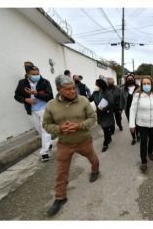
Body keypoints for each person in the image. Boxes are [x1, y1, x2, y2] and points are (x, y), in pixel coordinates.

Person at [42, 74, 99, 216]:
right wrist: (60, 129)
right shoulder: (51, 105)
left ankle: (95, 170)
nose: (72, 91)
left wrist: (79, 126)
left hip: (84, 140)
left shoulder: (83, 100)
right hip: (64, 144)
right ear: (58, 90)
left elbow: (93, 118)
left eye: (73, 88)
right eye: (67, 89)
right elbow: (46, 124)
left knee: (93, 159)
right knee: (61, 172)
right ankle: (60, 197)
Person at [14, 63, 54, 162]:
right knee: (40, 131)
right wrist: (26, 100)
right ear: (28, 74)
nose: (36, 76)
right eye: (33, 74)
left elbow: (50, 96)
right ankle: (48, 144)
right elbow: (17, 96)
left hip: (44, 109)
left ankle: (44, 152)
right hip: (31, 111)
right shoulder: (22, 83)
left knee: (45, 130)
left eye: (37, 73)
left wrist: (36, 94)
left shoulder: (45, 82)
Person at [128, 75, 153, 172]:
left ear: (152, 84)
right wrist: (132, 124)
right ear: (141, 85)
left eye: (148, 83)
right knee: (144, 141)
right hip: (142, 123)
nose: (146, 85)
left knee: (152, 139)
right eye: (144, 84)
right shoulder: (137, 95)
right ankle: (144, 161)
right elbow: (132, 110)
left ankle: (150, 152)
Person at [91, 78, 115, 152]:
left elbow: (111, 103)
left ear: (100, 85)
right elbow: (89, 99)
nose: (95, 86)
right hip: (100, 114)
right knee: (104, 128)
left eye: (96, 84)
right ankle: (109, 138)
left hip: (107, 113)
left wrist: (104, 109)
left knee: (105, 129)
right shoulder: (95, 93)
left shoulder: (107, 93)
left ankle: (105, 144)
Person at [123, 74, 138, 144]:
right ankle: (133, 138)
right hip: (128, 109)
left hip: (137, 109)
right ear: (126, 80)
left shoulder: (138, 87)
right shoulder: (124, 89)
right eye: (128, 78)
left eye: (131, 78)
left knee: (137, 123)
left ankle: (138, 134)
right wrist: (121, 108)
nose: (130, 79)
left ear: (133, 79)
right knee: (131, 124)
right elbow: (121, 99)